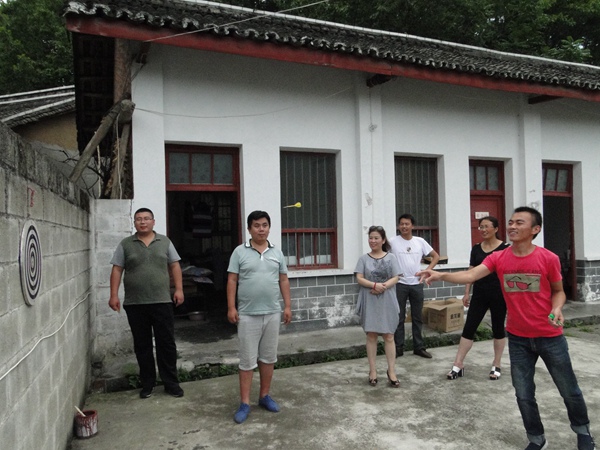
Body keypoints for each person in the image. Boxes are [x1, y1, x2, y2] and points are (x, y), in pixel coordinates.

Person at [418, 207, 595, 450]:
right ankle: (536, 439)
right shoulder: (499, 257)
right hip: (519, 338)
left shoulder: (548, 258)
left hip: (549, 336)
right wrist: (440, 276)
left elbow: (558, 291)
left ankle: (583, 432)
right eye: (511, 222)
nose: (512, 226)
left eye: (519, 222)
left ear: (535, 229)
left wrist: (557, 308)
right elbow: (471, 275)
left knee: (568, 389)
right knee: (523, 394)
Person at [109, 207, 185, 399]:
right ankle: (147, 384)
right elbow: (117, 269)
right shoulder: (126, 244)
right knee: (142, 345)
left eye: (146, 218)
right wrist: (113, 295)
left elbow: (175, 265)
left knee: (166, 344)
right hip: (135, 303)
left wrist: (179, 289)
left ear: (153, 222)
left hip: (162, 301)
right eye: (138, 219)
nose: (142, 222)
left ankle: (171, 383)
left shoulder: (165, 242)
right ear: (134, 223)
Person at [227, 210, 292, 424]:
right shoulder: (239, 252)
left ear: (269, 228)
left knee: (268, 358)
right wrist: (231, 307)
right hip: (247, 314)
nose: (261, 229)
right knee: (247, 361)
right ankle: (245, 403)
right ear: (249, 229)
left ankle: (264, 396)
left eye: (264, 225)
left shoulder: (277, 253)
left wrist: (287, 306)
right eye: (256, 225)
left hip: (272, 313)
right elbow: (232, 280)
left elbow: (283, 280)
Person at [447, 216, 509, 380]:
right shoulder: (476, 248)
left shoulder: (505, 249)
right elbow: (471, 272)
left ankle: (496, 364)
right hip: (480, 294)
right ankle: (458, 364)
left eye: (487, 226)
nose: (483, 230)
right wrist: (467, 292)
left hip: (499, 295)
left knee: (498, 329)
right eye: (481, 227)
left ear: (496, 229)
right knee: (469, 328)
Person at [355, 226, 401, 387]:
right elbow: (359, 278)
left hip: (387, 298)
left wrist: (383, 286)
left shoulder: (391, 258)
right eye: (371, 238)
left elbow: (396, 277)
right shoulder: (363, 259)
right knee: (371, 335)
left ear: (383, 240)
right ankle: (372, 371)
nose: (373, 241)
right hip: (370, 298)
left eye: (376, 238)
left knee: (389, 335)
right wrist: (374, 285)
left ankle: (392, 371)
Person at [389, 213, 440, 358]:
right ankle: (398, 347)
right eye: (401, 224)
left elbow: (435, 256)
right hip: (399, 284)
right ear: (398, 226)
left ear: (412, 226)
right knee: (399, 317)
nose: (404, 226)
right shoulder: (392, 242)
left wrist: (427, 271)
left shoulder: (420, 241)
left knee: (417, 317)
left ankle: (419, 347)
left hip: (417, 284)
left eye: (407, 224)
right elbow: (384, 257)